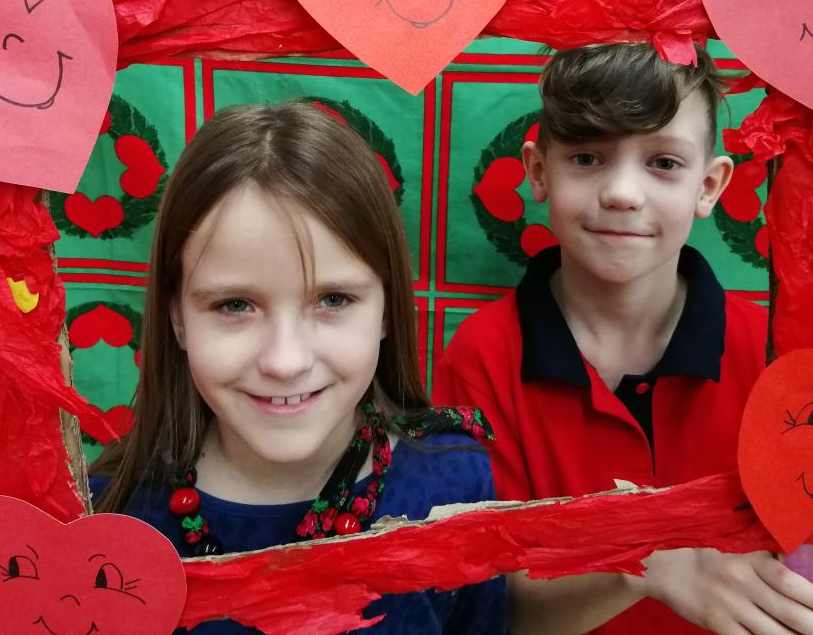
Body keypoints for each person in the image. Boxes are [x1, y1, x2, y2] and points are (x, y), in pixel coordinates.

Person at [433, 42, 813, 635]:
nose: (623, 193)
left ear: (709, 186)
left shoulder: (777, 358)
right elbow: (483, 602)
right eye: (588, 157)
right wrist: (648, 562)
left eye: (664, 162)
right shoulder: (482, 355)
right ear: (538, 172)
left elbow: (810, 551)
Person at [90, 101, 504, 634]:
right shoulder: (109, 516)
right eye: (234, 305)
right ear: (177, 318)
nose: (285, 362)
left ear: (387, 310)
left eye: (333, 299)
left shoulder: (454, 488)